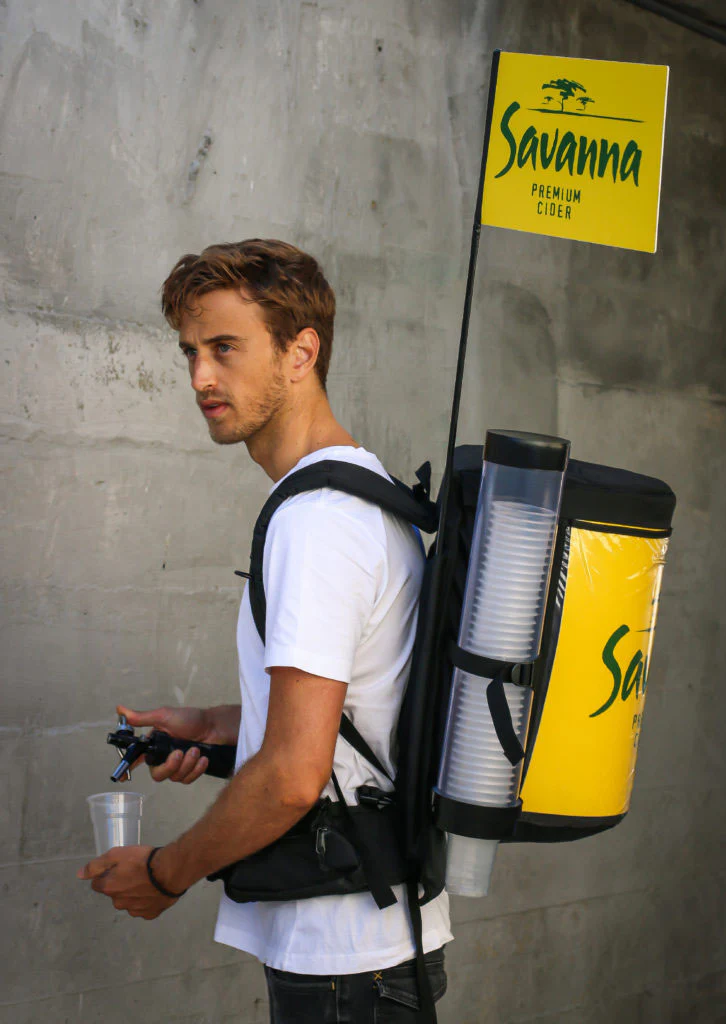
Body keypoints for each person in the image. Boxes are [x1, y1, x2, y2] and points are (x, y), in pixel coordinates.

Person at [78, 238, 453, 1021]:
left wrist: (164, 873)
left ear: (299, 353)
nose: (200, 378)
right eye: (190, 352)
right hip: (373, 942)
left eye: (224, 348)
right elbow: (357, 707)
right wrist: (220, 724)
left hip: (344, 958)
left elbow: (290, 776)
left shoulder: (316, 523)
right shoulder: (367, 491)